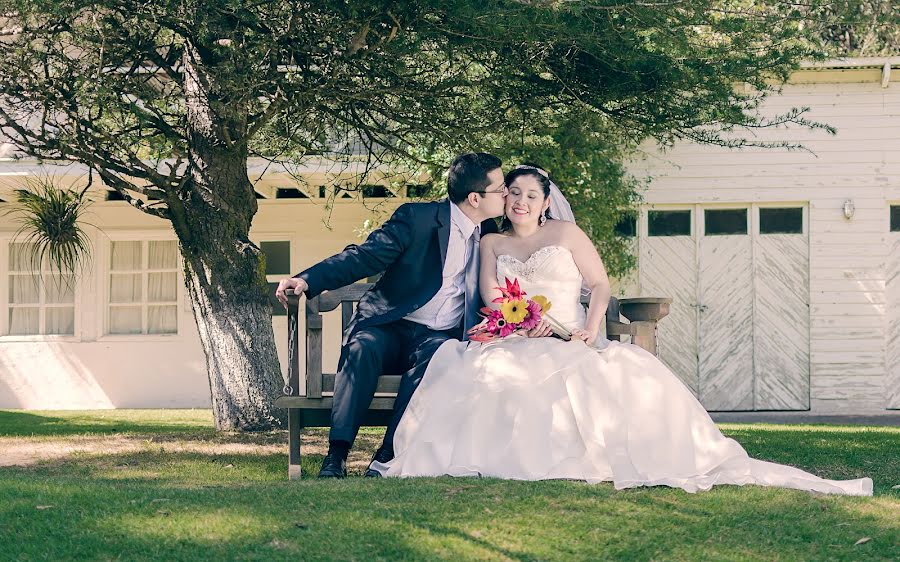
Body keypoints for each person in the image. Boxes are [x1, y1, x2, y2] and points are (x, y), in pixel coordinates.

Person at [371, 165, 873, 496]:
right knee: (478, 370)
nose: (520, 202)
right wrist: (516, 320)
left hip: (571, 335)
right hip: (513, 336)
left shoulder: (566, 234)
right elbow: (489, 296)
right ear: (503, 202)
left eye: (530, 195)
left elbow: (599, 284)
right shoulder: (491, 242)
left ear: (546, 201)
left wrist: (589, 329)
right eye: (514, 194)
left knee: (596, 374)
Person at [275, 153, 507, 478]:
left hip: (436, 338)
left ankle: (385, 458)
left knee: (441, 358)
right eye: (501, 189)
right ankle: (336, 456)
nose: (507, 194)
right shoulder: (418, 218)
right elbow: (365, 257)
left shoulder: (489, 231)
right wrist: (307, 280)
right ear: (474, 198)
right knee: (362, 348)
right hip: (388, 325)